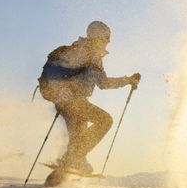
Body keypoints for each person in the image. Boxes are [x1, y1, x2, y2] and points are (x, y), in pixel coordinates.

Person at [38, 20, 140, 175]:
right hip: (71, 102)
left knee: (77, 143)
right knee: (105, 120)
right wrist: (62, 90)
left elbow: (102, 83)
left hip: (70, 102)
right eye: (107, 37)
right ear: (98, 36)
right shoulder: (86, 52)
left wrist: (128, 80)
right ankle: (75, 158)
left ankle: (66, 169)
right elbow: (104, 83)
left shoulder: (86, 52)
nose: (108, 41)